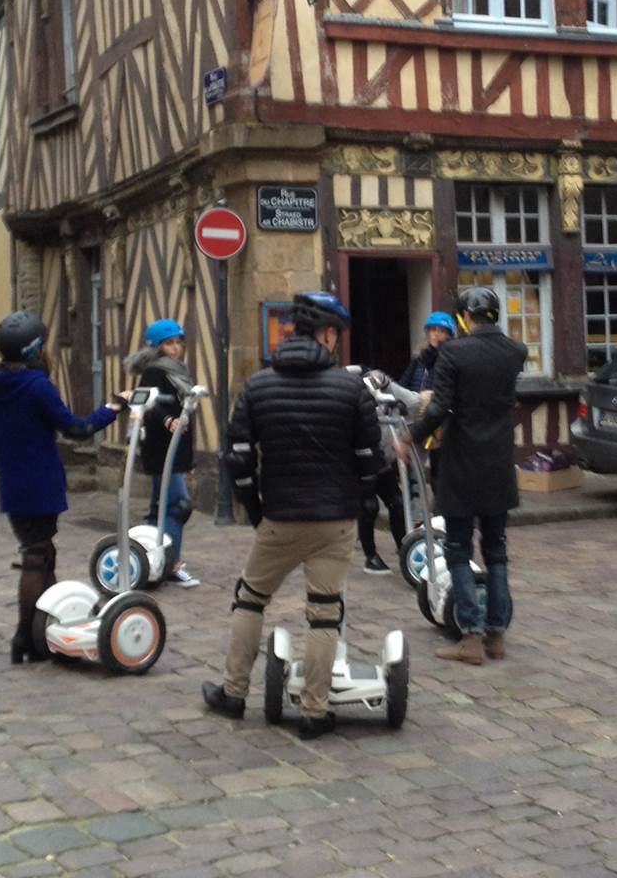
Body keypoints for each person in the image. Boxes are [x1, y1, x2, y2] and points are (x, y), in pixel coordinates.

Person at [201, 291, 381, 739]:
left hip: (280, 516)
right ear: (326, 334)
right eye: (336, 333)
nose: (337, 341)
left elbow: (238, 457)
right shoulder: (350, 387)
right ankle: (315, 713)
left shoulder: (258, 386)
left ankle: (234, 693)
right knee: (323, 612)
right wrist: (360, 500)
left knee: (250, 599)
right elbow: (369, 458)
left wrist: (256, 508)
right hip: (334, 519)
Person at [0, 310, 129, 664]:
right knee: (36, 555)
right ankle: (24, 636)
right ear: (34, 350)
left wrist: (5, 463)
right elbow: (75, 428)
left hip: (13, 485)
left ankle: (45, 629)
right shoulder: (36, 385)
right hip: (39, 483)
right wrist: (112, 408)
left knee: (43, 553)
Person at [395, 286, 527, 665]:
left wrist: (410, 437)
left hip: (462, 462)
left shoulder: (454, 352)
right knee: (497, 549)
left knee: (457, 547)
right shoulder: (515, 351)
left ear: (465, 318)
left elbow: (439, 408)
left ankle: (470, 636)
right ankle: (497, 635)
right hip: (499, 462)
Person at [124, 318, 200, 588]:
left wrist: (187, 459)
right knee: (178, 506)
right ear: (157, 347)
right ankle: (171, 563)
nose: (176, 348)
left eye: (178, 342)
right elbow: (150, 404)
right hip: (161, 449)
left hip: (175, 450)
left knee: (159, 508)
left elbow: (185, 413)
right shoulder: (155, 371)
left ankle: (146, 558)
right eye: (169, 343)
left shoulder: (177, 370)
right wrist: (167, 419)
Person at [357, 369, 421, 575]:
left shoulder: (388, 391)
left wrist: (390, 388)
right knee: (369, 507)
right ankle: (370, 556)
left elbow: (413, 402)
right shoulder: (355, 398)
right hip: (360, 460)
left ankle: (405, 548)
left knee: (398, 503)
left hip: (382, 460)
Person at [398, 311, 457, 392]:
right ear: (428, 333)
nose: (436, 334)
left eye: (442, 331)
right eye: (433, 330)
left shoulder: (451, 360)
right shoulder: (419, 357)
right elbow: (402, 384)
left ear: (449, 335)